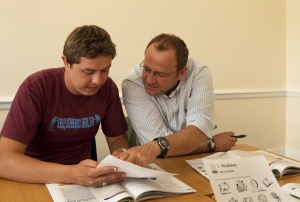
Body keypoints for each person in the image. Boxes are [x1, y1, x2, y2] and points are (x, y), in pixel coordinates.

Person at [0, 25, 150, 187]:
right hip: (32, 180)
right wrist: (71, 174)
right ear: (66, 62)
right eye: (88, 71)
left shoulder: (107, 88)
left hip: (83, 183)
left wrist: (121, 155)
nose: (98, 81)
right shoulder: (36, 88)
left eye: (105, 70)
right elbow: (4, 161)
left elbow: (118, 139)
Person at [121, 33, 237, 159]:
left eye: (160, 74)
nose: (149, 80)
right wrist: (211, 144)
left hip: (192, 162)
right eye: (147, 69)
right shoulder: (133, 82)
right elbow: (152, 145)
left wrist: (201, 137)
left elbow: (200, 129)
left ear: (182, 72)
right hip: (157, 165)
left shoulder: (198, 73)